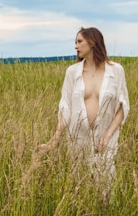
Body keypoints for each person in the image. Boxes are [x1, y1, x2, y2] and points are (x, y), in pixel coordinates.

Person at [39, 27, 129, 202]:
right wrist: (54, 140)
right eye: (75, 42)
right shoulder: (72, 72)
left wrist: (108, 135)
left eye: (79, 41)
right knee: (80, 184)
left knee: (105, 184)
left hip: (105, 139)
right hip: (78, 138)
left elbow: (123, 106)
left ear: (93, 42)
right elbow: (65, 107)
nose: (75, 46)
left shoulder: (116, 70)